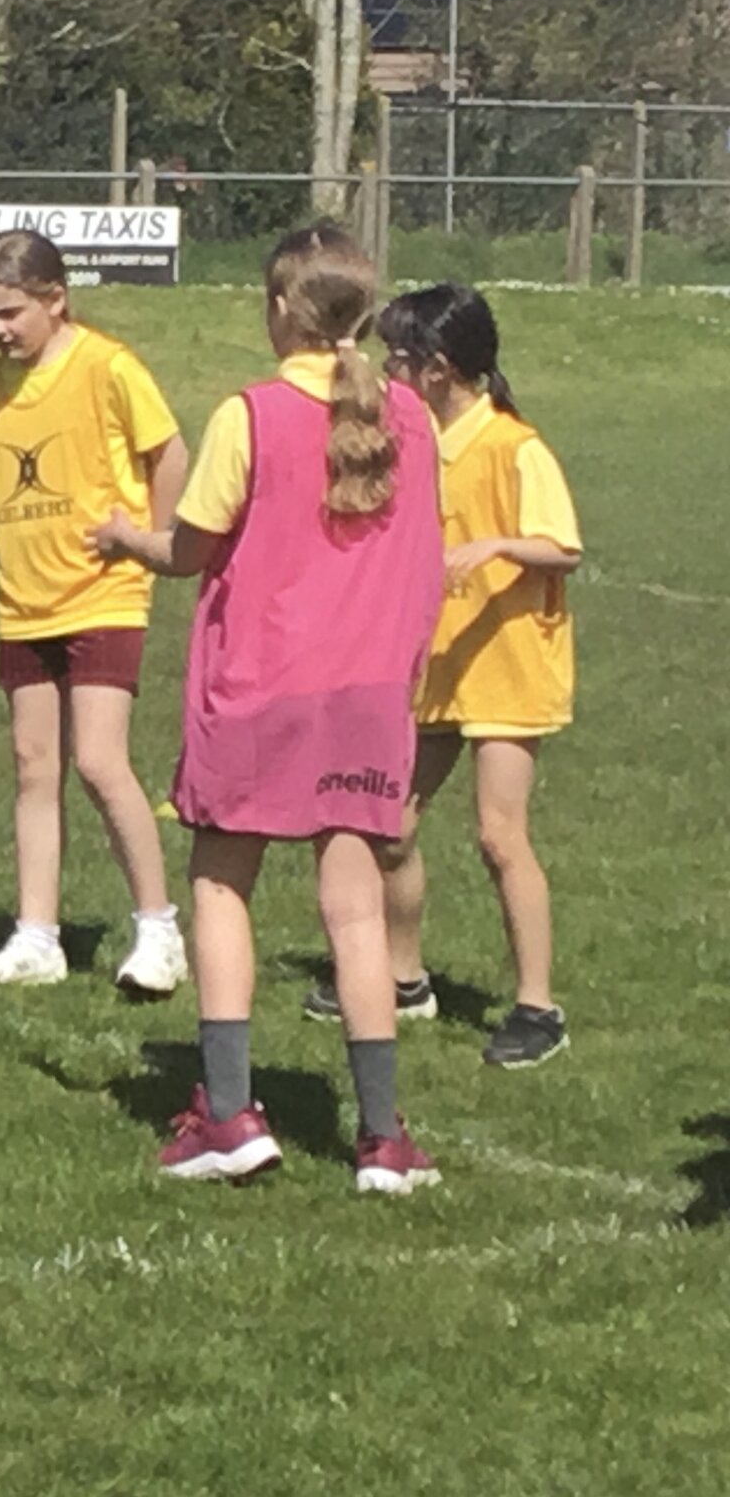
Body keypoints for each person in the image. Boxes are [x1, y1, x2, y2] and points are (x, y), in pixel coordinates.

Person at [93, 224, 446, 1195]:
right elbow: (422, 561)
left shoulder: (249, 415)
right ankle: (380, 1137)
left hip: (262, 689)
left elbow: (191, 548)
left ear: (281, 309)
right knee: (355, 908)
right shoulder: (410, 417)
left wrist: (128, 538)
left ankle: (226, 1111)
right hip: (369, 695)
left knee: (218, 886)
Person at [299, 284, 582, 1069]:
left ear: (439, 367)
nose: (391, 367)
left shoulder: (514, 446)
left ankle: (536, 1006)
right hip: (433, 668)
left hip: (510, 667)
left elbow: (563, 548)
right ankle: (404, 977)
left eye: (401, 356)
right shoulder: (414, 437)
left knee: (499, 834)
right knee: (391, 824)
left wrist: (492, 546)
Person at [0, 229, 191, 994]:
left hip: (103, 591)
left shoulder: (108, 367)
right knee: (34, 766)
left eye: (10, 312)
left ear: (55, 300)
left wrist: (153, 542)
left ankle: (158, 930)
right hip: (25, 600)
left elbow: (168, 452)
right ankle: (37, 937)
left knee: (98, 760)